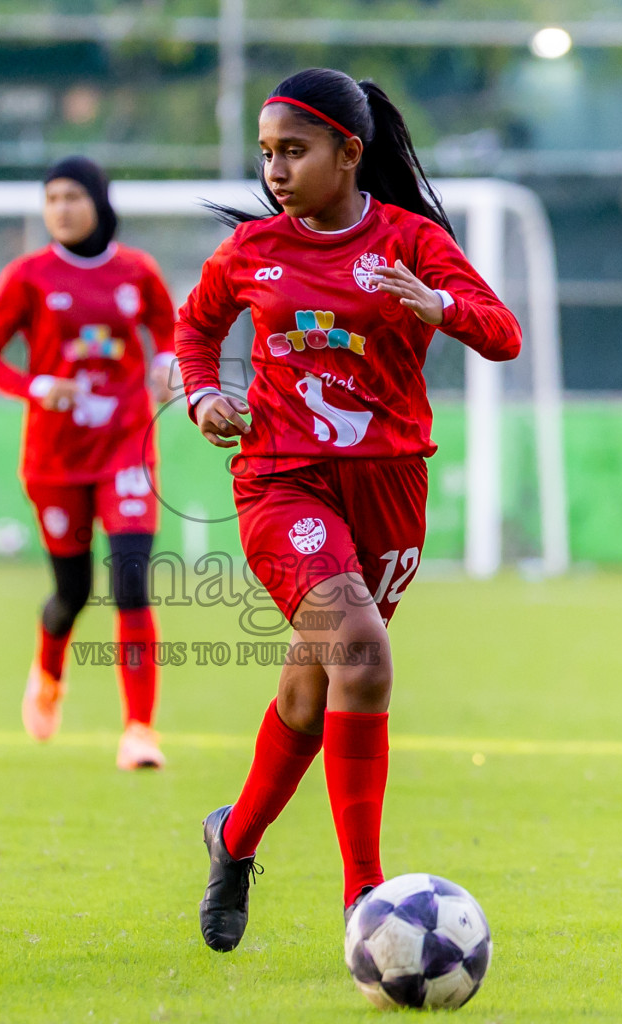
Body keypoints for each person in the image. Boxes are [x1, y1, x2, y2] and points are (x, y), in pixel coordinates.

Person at [174, 68, 522, 951]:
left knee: (314, 683)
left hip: (391, 488)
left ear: (349, 152)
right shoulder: (251, 252)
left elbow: (502, 331)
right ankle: (365, 899)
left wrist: (438, 305)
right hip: (283, 482)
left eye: (293, 150)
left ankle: (235, 837)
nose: (276, 170)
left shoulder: (410, 241)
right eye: (266, 153)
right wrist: (204, 395)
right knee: (362, 655)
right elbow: (196, 329)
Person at [0, 156, 177, 771]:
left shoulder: (137, 271)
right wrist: (38, 387)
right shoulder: (27, 276)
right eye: (51, 197)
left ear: (98, 200)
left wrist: (166, 364)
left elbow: (168, 328)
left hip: (126, 446)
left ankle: (140, 730)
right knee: (73, 592)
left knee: (132, 583)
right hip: (55, 458)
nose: (60, 208)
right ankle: (50, 666)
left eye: (72, 196)